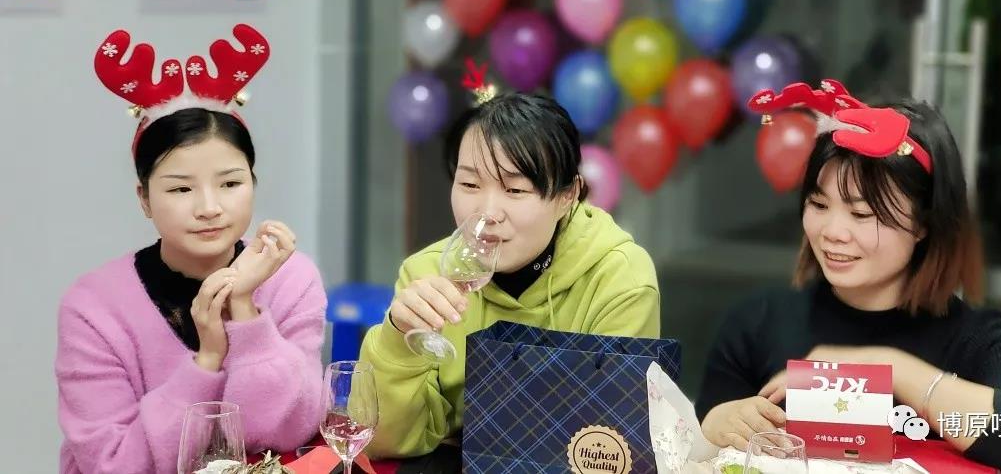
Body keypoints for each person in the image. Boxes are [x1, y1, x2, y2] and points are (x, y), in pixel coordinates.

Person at [695, 80, 1001, 473]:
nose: (832, 232)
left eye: (862, 213)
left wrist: (889, 369)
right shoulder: (757, 325)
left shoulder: (982, 343)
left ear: (924, 223)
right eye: (819, 204)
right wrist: (716, 423)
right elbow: (700, 442)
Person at [56, 25, 327, 473]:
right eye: (181, 189)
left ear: (253, 183)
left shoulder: (291, 278)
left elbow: (287, 433)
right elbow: (112, 464)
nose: (209, 208)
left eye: (231, 184)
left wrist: (245, 312)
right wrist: (207, 360)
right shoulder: (93, 308)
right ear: (144, 199)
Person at [360, 83, 661, 459]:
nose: (487, 213)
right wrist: (397, 337)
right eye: (469, 184)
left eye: (515, 190)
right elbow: (380, 443)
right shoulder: (427, 274)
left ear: (567, 195)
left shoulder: (618, 278)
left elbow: (610, 446)